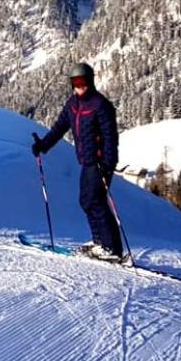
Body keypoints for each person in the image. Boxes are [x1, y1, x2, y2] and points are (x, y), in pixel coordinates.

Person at [30, 62, 123, 260]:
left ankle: (110, 248)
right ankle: (101, 243)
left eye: (83, 81)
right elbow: (59, 128)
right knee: (87, 201)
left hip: (99, 163)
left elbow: (110, 137)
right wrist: (43, 145)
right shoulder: (73, 104)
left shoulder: (100, 105)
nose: (80, 86)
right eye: (75, 82)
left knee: (94, 201)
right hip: (86, 162)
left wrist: (108, 164)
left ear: (90, 81)